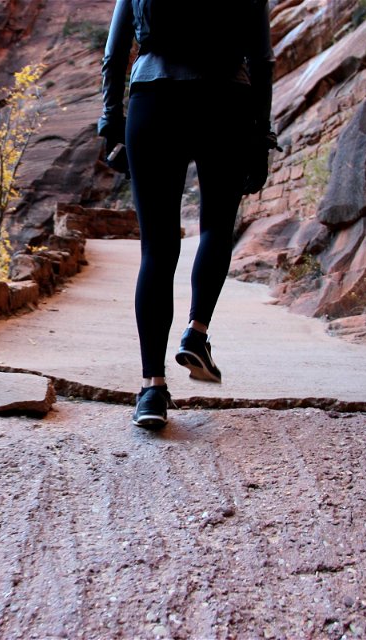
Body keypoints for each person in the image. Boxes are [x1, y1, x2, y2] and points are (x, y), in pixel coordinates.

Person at [98, 0, 277, 428]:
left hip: (153, 98)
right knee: (216, 227)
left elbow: (116, 51)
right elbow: (262, 59)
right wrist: (261, 134)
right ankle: (197, 333)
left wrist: (111, 122)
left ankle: (152, 390)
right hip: (226, 100)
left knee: (157, 249)